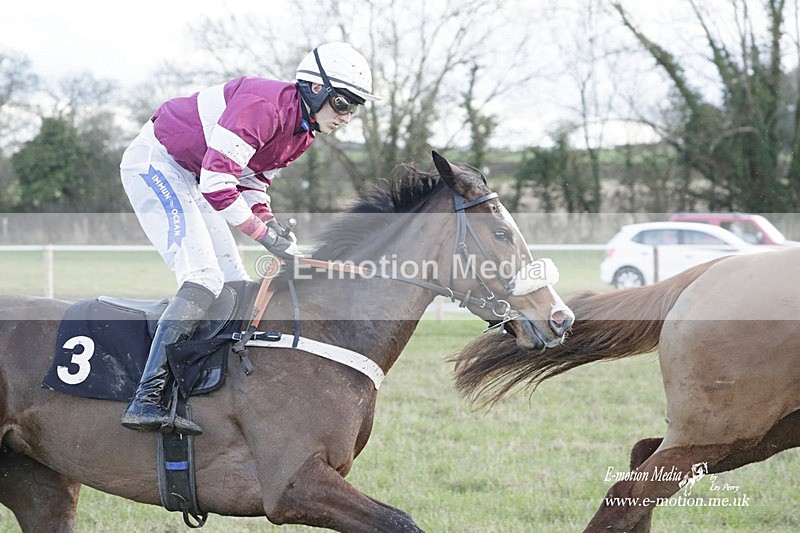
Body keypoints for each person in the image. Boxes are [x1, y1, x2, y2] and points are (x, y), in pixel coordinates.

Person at [118, 42, 379, 435]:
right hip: (158, 164)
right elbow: (219, 183)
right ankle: (146, 398)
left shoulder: (302, 133)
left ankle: (206, 390)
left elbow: (252, 184)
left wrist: (270, 227)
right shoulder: (264, 105)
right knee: (204, 278)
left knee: (235, 283)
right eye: (343, 104)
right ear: (315, 88)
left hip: (196, 176)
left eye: (355, 107)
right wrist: (262, 233)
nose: (346, 117)